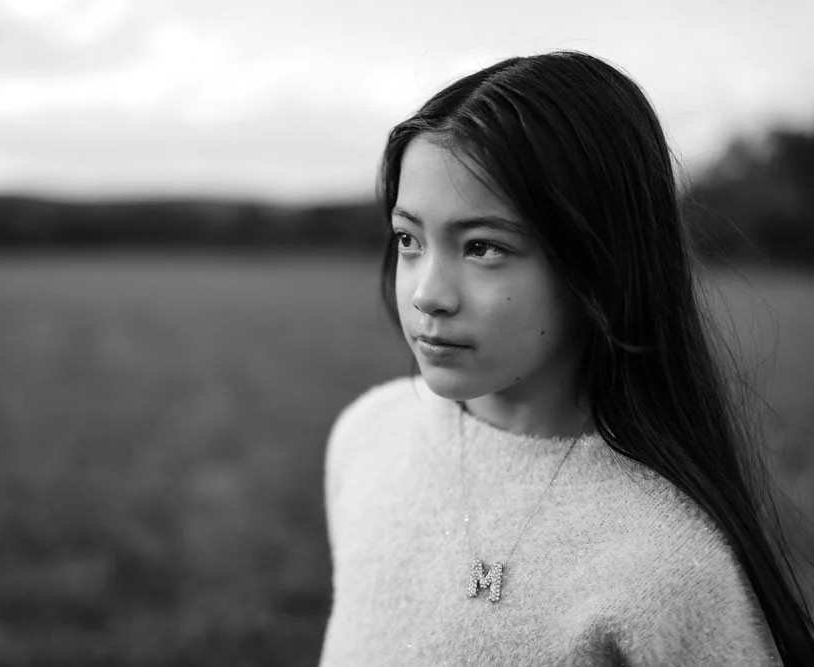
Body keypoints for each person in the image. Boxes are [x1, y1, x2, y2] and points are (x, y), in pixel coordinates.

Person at [318, 51, 814, 665]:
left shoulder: (670, 564)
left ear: (599, 261)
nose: (427, 294)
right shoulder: (366, 436)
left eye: (482, 247)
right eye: (409, 240)